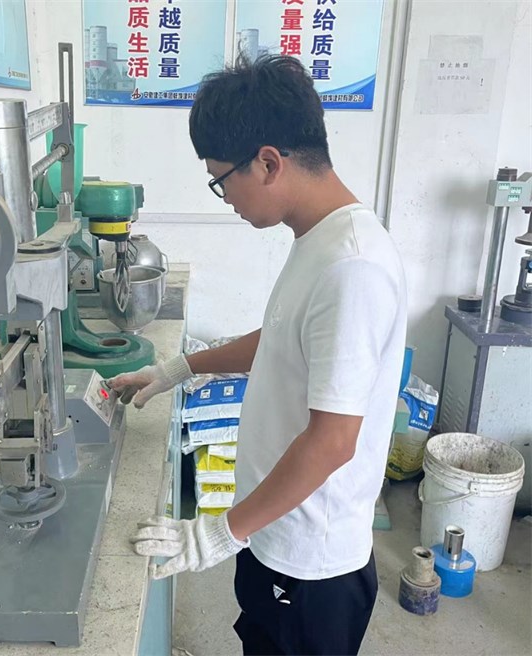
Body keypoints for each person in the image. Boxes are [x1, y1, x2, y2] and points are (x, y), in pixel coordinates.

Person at [109, 54, 407, 656]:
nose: (225, 198)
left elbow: (333, 441)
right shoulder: (318, 239)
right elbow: (279, 337)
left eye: (221, 180)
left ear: (268, 162)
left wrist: (218, 535)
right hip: (273, 531)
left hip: (310, 564)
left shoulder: (352, 267)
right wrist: (175, 370)